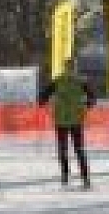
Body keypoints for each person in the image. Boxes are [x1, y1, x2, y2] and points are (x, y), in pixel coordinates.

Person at [38, 58, 95, 189]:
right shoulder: (81, 81)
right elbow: (92, 98)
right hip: (75, 120)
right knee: (79, 150)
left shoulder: (58, 81)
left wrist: (44, 101)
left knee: (63, 149)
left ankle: (65, 176)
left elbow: (43, 97)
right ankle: (85, 178)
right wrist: (87, 104)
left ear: (64, 67)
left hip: (61, 120)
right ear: (75, 68)